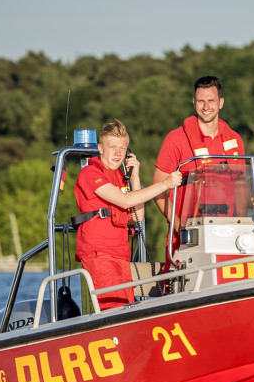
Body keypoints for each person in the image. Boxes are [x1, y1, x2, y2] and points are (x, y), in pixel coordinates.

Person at [74, 119, 182, 310]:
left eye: (122, 148)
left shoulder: (121, 178)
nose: (118, 153)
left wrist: (135, 176)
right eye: (112, 147)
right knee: (114, 309)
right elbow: (124, 201)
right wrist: (164, 184)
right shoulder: (90, 174)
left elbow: (138, 216)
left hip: (121, 256)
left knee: (128, 306)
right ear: (100, 148)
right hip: (101, 255)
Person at [153, 76, 246, 233]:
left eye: (211, 100)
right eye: (201, 101)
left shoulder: (235, 139)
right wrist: (177, 226)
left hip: (227, 230)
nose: (206, 106)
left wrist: (241, 225)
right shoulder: (175, 139)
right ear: (194, 102)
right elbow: (157, 188)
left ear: (221, 103)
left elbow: (240, 185)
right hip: (188, 232)